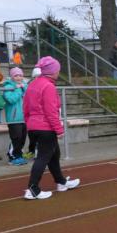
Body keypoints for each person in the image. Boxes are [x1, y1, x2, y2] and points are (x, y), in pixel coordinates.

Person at [22, 56, 80, 199]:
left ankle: (61, 182)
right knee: (43, 157)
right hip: (45, 127)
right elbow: (51, 111)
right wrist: (59, 129)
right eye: (57, 70)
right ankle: (33, 188)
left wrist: (30, 124)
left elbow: (26, 108)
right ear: (53, 71)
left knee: (54, 154)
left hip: (34, 126)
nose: (58, 72)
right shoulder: (48, 86)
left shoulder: (32, 84)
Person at [2, 67, 29, 165]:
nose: (18, 77)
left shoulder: (24, 86)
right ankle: (13, 157)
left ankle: (18, 155)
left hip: (24, 117)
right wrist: (18, 90)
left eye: (20, 75)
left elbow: (29, 96)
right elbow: (11, 99)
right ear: (12, 77)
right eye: (16, 75)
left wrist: (23, 88)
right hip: (13, 118)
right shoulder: (8, 87)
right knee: (16, 138)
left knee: (22, 138)